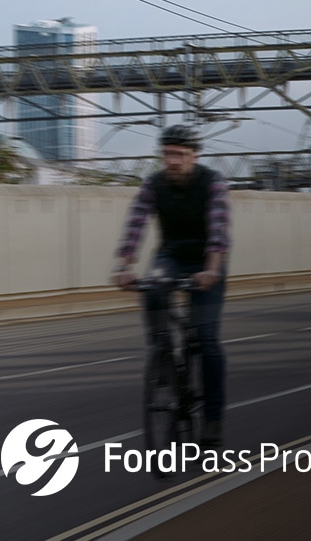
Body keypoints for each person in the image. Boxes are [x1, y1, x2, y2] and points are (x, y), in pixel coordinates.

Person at [111, 124, 231, 446]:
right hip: (172, 255)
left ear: (194, 156)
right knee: (152, 287)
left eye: (180, 155)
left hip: (207, 261)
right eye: (168, 154)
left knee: (206, 339)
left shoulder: (213, 184)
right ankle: (160, 350)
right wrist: (124, 265)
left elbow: (219, 231)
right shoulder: (153, 184)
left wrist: (211, 271)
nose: (173, 161)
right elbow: (136, 223)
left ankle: (213, 418)